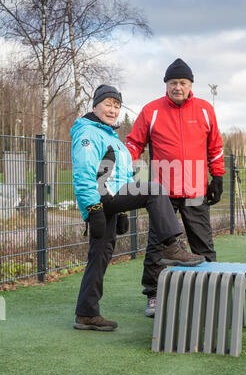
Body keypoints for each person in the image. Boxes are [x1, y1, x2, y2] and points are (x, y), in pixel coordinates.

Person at [71, 84, 204, 332]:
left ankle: (86, 313)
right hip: (100, 200)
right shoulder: (88, 133)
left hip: (109, 199)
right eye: (107, 104)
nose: (112, 110)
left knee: (99, 256)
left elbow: (117, 177)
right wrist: (94, 208)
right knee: (154, 190)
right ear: (95, 105)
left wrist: (120, 211)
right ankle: (172, 245)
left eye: (117, 106)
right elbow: (84, 174)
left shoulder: (110, 135)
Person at [126, 59, 226, 317]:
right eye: (173, 83)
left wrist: (217, 177)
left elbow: (215, 146)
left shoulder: (205, 110)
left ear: (190, 84)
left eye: (182, 83)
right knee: (158, 245)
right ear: (166, 85)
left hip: (195, 191)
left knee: (202, 242)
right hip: (163, 194)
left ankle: (210, 292)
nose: (177, 87)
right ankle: (154, 295)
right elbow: (134, 144)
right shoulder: (151, 111)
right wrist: (122, 167)